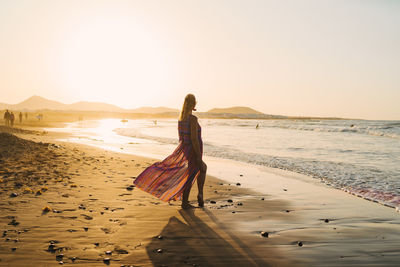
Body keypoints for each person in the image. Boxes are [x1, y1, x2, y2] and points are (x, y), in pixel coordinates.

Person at [133, 94, 207, 209]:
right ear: (193, 104)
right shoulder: (193, 119)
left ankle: (196, 197)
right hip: (192, 149)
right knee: (194, 173)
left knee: (196, 171)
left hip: (185, 148)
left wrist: (184, 150)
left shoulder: (181, 118)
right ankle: (190, 200)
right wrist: (198, 155)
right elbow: (193, 138)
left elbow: (181, 137)